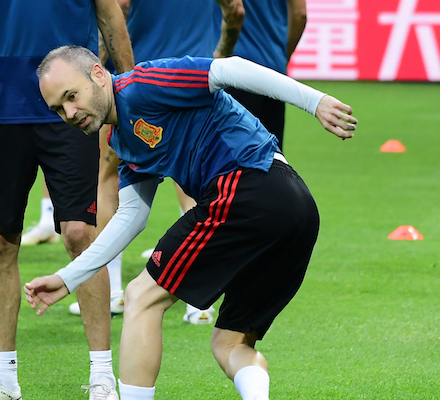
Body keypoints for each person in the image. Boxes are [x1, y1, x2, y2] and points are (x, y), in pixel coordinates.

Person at [24, 45, 357, 399]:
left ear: (98, 74)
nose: (70, 113)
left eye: (71, 96)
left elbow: (230, 70)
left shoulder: (142, 84)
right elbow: (131, 217)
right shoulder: (124, 140)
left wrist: (314, 101)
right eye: (58, 108)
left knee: (141, 297)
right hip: (296, 207)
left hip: (247, 186)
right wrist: (68, 278)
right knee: (229, 344)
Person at [0, 0, 133, 398]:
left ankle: (103, 377)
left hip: (73, 103)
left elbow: (109, 11)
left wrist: (128, 84)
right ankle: (3, 381)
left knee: (79, 234)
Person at [68, 0, 246, 324]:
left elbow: (117, 8)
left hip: (141, 80)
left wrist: (105, 73)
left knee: (108, 178)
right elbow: (235, 11)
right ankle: (198, 300)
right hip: (193, 80)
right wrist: (218, 56)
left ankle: (110, 293)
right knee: (192, 180)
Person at [222, 0, 307, 152]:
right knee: (271, 159)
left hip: (234, 70)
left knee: (228, 159)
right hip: (274, 70)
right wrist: (281, 58)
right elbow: (300, 14)